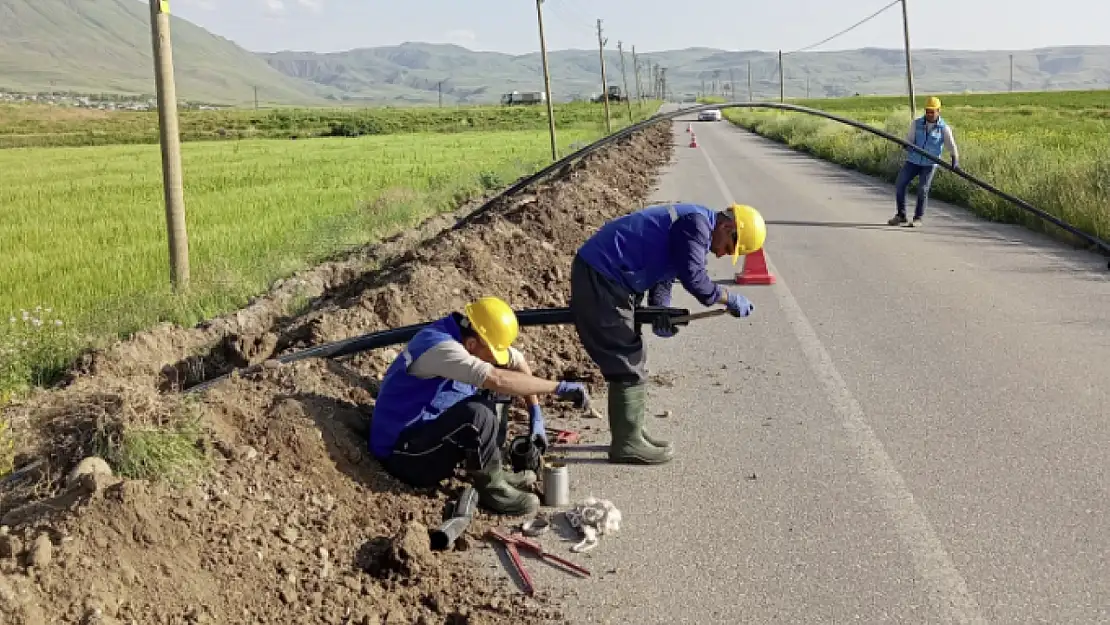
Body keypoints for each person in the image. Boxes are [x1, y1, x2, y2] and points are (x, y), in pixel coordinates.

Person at [570, 202, 767, 465]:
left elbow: (665, 274)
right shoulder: (696, 226)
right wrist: (727, 297)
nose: (721, 255)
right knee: (626, 359)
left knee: (633, 356)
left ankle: (633, 433)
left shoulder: (694, 226)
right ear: (727, 226)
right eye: (728, 247)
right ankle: (626, 444)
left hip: (611, 278)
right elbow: (694, 278)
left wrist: (659, 309)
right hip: (601, 276)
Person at [368, 296, 592, 516]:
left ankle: (494, 471)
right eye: (492, 354)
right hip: (404, 455)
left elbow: (517, 362)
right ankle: (492, 490)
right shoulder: (441, 349)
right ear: (472, 343)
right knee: (479, 413)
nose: (494, 359)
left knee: (491, 395)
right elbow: (499, 379)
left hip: (424, 433)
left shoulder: (468, 336)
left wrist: (536, 415)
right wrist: (558, 387)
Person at [889, 96, 960, 228]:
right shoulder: (916, 124)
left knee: (922, 189)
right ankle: (901, 215)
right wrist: (907, 146)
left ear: (938, 111)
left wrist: (955, 160)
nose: (929, 114)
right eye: (927, 111)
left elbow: (951, 146)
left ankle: (918, 218)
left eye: (932, 111)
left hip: (929, 164)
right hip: (913, 161)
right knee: (900, 184)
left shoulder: (944, 128)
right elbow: (909, 140)